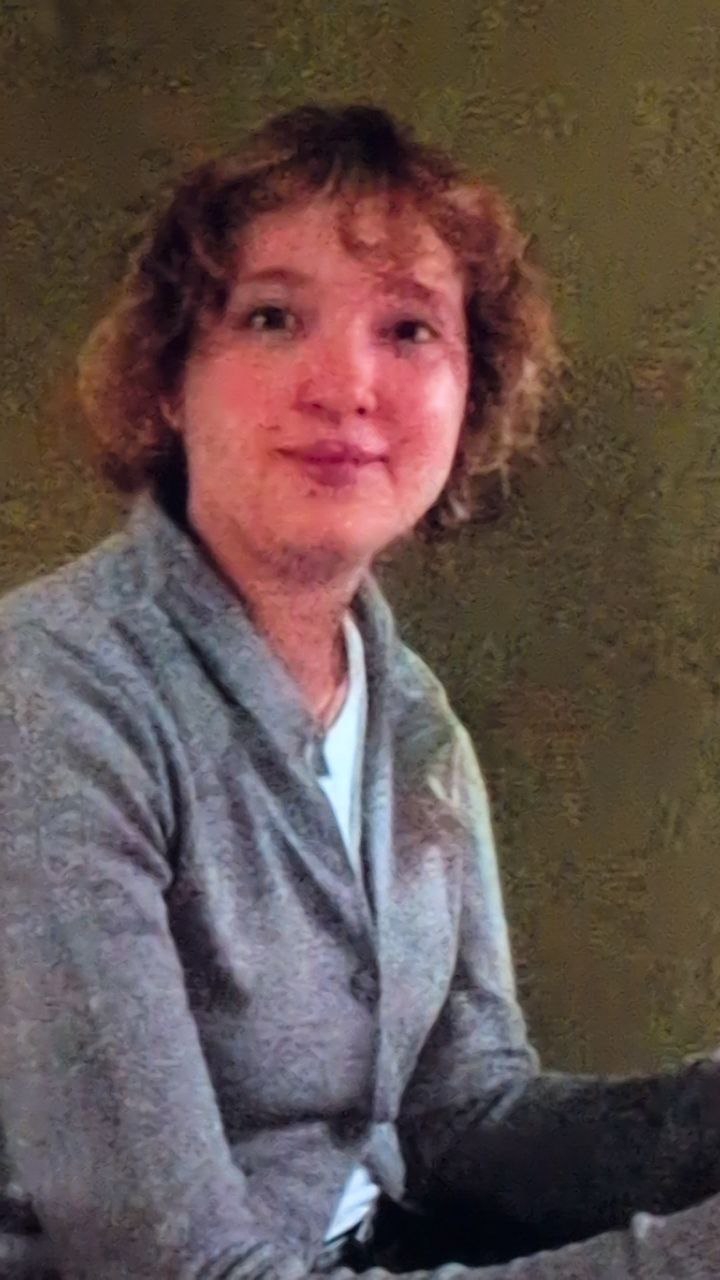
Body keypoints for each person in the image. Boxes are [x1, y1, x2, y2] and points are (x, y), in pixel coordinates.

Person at [0, 101, 719, 1280]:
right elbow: (174, 1267)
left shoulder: (414, 715)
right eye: (272, 317)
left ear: (471, 392)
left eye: (410, 329)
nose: (346, 382)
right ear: (170, 380)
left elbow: (464, 1124)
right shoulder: (50, 698)